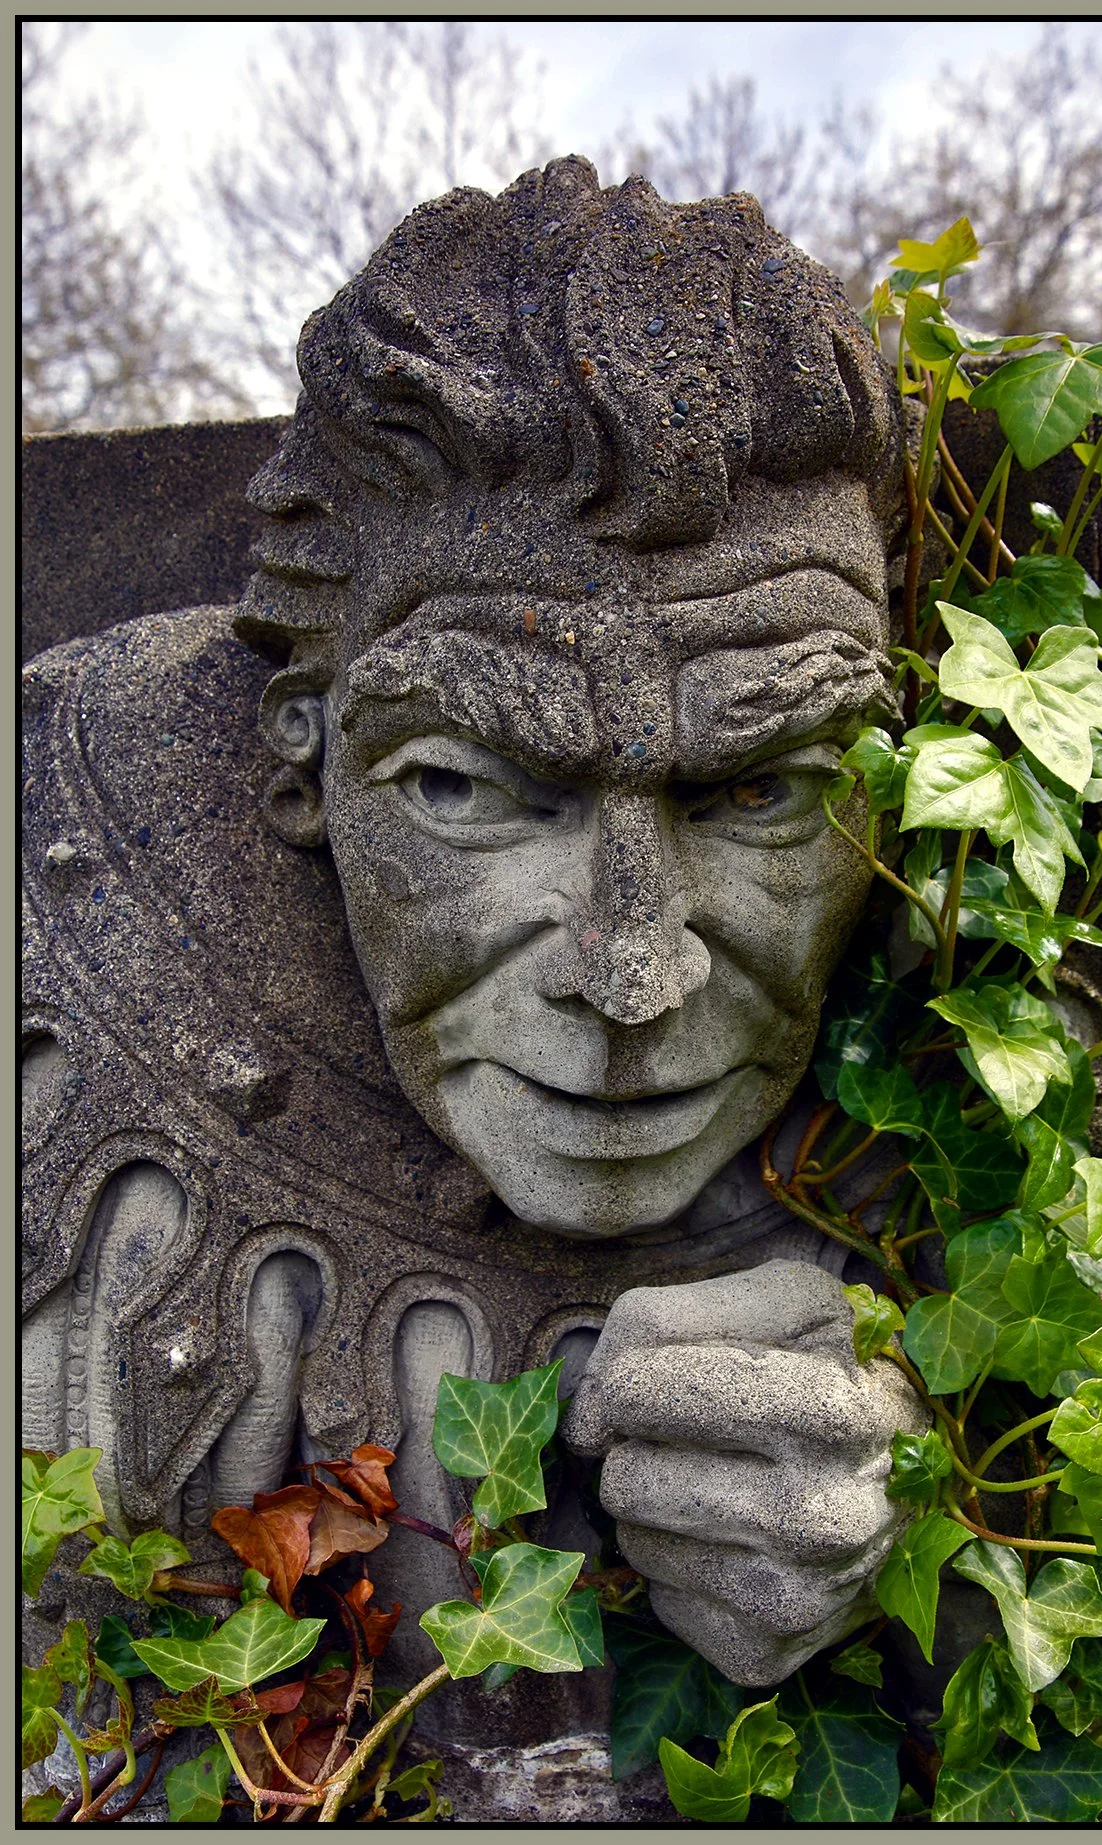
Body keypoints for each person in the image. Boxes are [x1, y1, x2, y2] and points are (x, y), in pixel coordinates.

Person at [22, 158, 923, 1708]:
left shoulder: (979, 1035)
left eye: (764, 794)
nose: (637, 977)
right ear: (302, 750)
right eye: (468, 788)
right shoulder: (63, 873)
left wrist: (928, 1559)